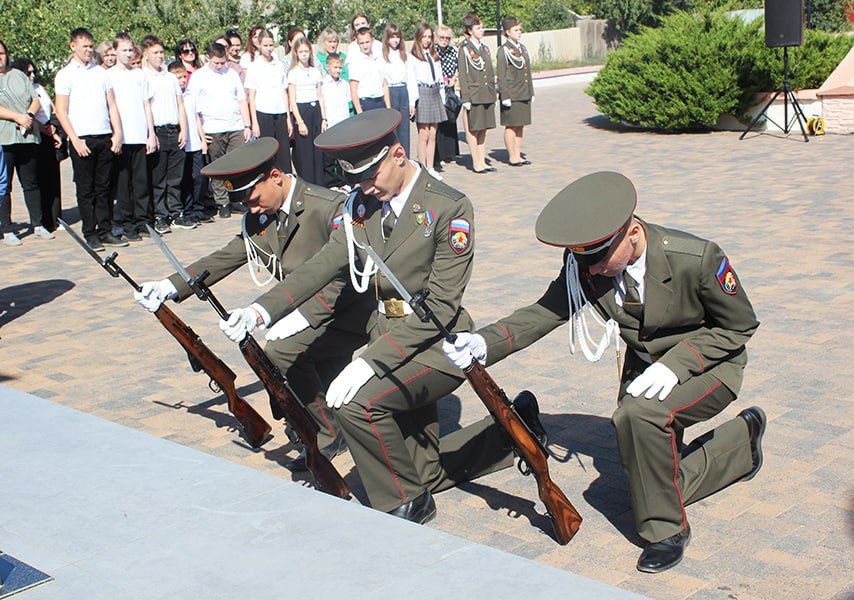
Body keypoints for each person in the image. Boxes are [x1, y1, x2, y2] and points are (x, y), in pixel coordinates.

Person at [215, 109, 544, 523]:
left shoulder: (448, 208)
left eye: (371, 176)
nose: (364, 187)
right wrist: (262, 310)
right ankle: (509, 435)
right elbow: (323, 265)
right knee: (424, 469)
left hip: (435, 342)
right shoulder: (362, 206)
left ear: (399, 155)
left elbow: (441, 306)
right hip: (387, 333)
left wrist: (369, 363)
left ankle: (406, 502)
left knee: (359, 404)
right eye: (357, 180)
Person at [444, 171, 766, 573]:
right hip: (646, 368)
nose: (592, 271)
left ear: (632, 232)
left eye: (599, 260)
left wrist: (678, 364)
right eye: (585, 261)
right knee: (650, 481)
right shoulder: (588, 264)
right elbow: (546, 311)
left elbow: (739, 327)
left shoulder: (695, 259)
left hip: (709, 364)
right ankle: (741, 443)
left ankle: (665, 532)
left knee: (638, 420)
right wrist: (484, 343)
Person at [133, 138, 373, 469]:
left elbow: (344, 274)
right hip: (305, 312)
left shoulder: (327, 206)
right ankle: (326, 422)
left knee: (280, 353)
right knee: (301, 365)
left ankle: (326, 435)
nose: (253, 209)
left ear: (275, 176)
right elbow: (224, 258)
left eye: (255, 199)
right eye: (246, 203)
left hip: (351, 311)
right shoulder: (260, 216)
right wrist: (169, 286)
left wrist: (301, 316)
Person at [54, 28, 126, 251]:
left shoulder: (101, 73)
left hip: (103, 136)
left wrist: (118, 134)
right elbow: (61, 110)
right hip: (82, 139)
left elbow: (112, 104)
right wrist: (74, 139)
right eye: (83, 46)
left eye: (90, 46)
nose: (88, 50)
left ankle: (105, 229)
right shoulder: (65, 74)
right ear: (72, 46)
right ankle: (90, 232)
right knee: (85, 189)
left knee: (103, 187)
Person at [187, 41, 251, 219]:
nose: (220, 66)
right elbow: (193, 108)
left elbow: (241, 100)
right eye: (216, 63)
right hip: (213, 128)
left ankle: (237, 198)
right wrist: (200, 133)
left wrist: (247, 125)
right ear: (208, 58)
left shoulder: (231, 74)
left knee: (237, 166)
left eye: (223, 62)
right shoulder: (199, 76)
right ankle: (222, 202)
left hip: (235, 126)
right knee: (218, 167)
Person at [142, 35, 194, 234]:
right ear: (146, 54)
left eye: (161, 52)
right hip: (158, 131)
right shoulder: (144, 77)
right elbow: (146, 106)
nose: (159, 56)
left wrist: (184, 130)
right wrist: (151, 134)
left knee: (175, 176)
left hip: (174, 130)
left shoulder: (170, 77)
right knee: (159, 177)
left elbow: (180, 104)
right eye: (155, 52)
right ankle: (160, 215)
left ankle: (176, 212)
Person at [108, 32, 156, 241]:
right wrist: (115, 134)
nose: (128, 54)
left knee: (141, 181)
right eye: (124, 50)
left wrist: (151, 133)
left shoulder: (140, 75)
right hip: (122, 136)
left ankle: (143, 220)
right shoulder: (108, 75)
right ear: (115, 51)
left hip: (139, 136)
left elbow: (147, 105)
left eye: (130, 50)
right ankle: (127, 224)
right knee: (123, 183)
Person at [0, 39, 46, 246]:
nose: (0, 57)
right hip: (4, 138)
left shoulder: (18, 74)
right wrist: (16, 117)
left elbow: (35, 99)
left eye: (2, 53)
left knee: (31, 182)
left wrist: (28, 115)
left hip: (26, 136)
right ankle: (7, 227)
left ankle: (38, 224)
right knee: (4, 185)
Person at [11, 58, 62, 232]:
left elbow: (52, 108)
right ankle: (42, 219)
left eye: (33, 72)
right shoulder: (19, 90)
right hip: (34, 135)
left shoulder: (39, 88)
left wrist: (54, 128)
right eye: (28, 73)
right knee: (36, 180)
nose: (32, 76)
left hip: (49, 134)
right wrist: (44, 129)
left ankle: (55, 217)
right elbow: (26, 114)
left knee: (52, 178)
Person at [245, 28, 292, 174]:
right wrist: (255, 123)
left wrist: (288, 119)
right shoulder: (254, 67)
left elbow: (284, 92)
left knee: (283, 152)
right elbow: (251, 97)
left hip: (280, 113)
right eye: (265, 45)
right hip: (263, 114)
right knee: (267, 153)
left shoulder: (278, 65)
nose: (268, 48)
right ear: (259, 45)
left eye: (271, 45)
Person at [170, 61, 210, 224]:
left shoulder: (191, 96)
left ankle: (198, 208)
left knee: (198, 177)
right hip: (182, 145)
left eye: (183, 77)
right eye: (178, 78)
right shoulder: (172, 98)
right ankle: (186, 210)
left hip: (195, 144)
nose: (182, 80)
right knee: (185, 179)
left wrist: (203, 140)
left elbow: (196, 118)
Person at [406, 22, 447, 180]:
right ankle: (422, 168)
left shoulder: (434, 55)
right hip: (421, 93)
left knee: (433, 133)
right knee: (423, 133)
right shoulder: (413, 57)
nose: (427, 40)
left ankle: (430, 167)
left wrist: (442, 96)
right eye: (424, 37)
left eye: (430, 37)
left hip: (434, 92)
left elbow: (439, 76)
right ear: (418, 37)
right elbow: (411, 80)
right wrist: (412, 102)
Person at [457, 13, 496, 174]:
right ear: (469, 30)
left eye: (482, 27)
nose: (482, 30)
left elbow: (489, 71)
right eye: (478, 28)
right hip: (474, 94)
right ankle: (476, 162)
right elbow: (463, 74)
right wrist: (465, 97)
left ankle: (482, 159)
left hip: (486, 93)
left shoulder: (484, 48)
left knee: (483, 129)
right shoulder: (465, 49)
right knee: (474, 129)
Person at [287, 38, 326, 186]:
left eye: (306, 51)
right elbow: (292, 99)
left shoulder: (315, 71)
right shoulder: (293, 73)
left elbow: (320, 96)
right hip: (302, 112)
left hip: (316, 110)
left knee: (317, 151)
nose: (304, 55)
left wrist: (324, 118)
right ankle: (307, 185)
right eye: (301, 52)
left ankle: (320, 185)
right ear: (296, 53)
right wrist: (300, 121)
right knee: (305, 153)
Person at [496, 17, 534, 166]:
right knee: (511, 125)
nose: (519, 32)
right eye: (516, 30)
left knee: (520, 125)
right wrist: (504, 95)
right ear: (507, 32)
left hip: (523, 92)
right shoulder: (503, 50)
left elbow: (527, 72)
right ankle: (512, 156)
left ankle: (518, 154)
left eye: (520, 30)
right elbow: (502, 74)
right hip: (512, 93)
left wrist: (531, 91)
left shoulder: (522, 48)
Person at [319, 52, 350, 187]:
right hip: (330, 123)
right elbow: (322, 103)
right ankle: (331, 183)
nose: (337, 70)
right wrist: (324, 119)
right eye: (335, 67)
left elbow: (347, 103)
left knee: (343, 156)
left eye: (339, 68)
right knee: (329, 157)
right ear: (328, 67)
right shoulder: (323, 84)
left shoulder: (344, 84)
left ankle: (345, 181)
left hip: (342, 124)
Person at [380, 23, 409, 157]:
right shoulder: (382, 56)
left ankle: (406, 157)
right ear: (387, 38)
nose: (395, 40)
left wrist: (412, 101)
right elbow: (382, 79)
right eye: (392, 37)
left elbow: (411, 78)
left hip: (403, 90)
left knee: (404, 129)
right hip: (390, 91)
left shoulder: (404, 55)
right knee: (393, 129)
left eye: (397, 37)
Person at [434, 24, 460, 168]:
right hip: (438, 89)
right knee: (440, 122)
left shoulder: (452, 51)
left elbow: (457, 67)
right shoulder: (434, 51)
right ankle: (440, 155)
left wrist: (454, 78)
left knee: (451, 119)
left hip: (449, 88)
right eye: (442, 37)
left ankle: (451, 153)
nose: (444, 40)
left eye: (447, 38)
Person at [348, 27, 390, 114]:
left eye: (367, 42)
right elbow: (353, 89)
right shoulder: (356, 61)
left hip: (380, 102)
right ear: (358, 44)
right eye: (361, 43)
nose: (365, 46)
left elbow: (384, 84)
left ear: (372, 40)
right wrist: (359, 111)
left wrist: (388, 107)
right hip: (365, 103)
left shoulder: (379, 59)